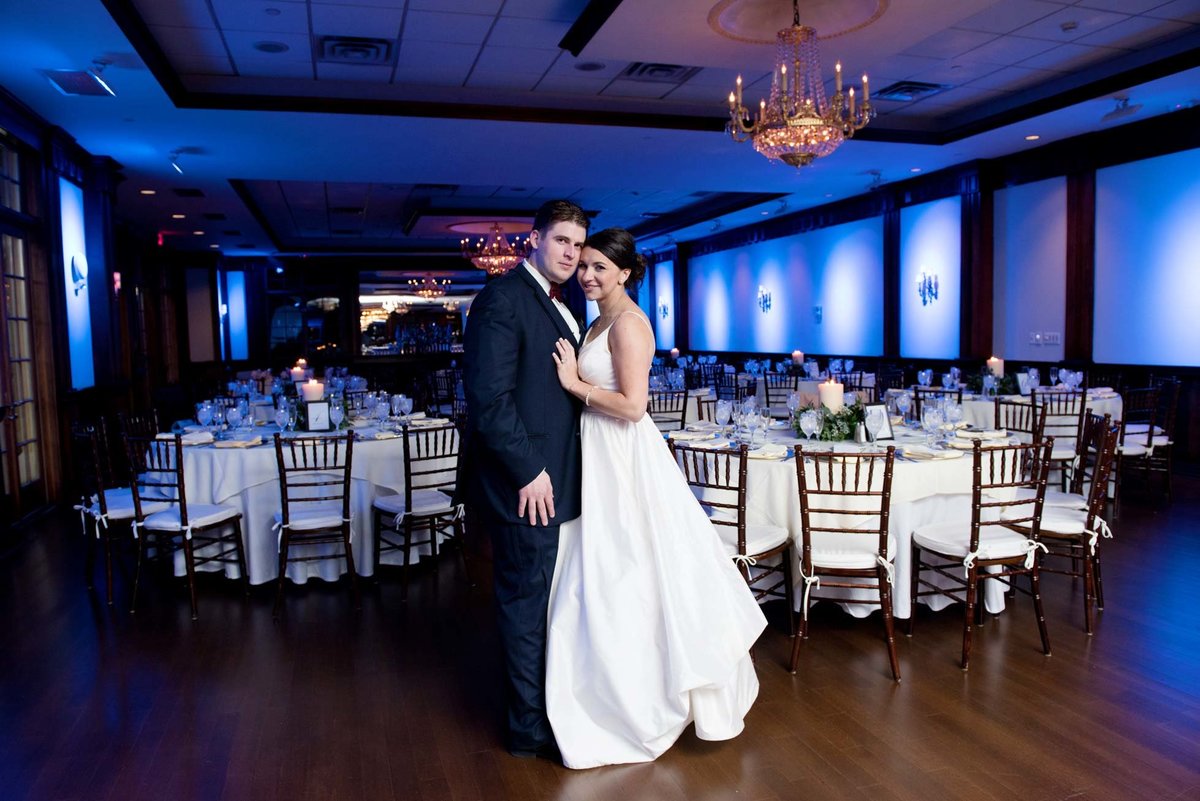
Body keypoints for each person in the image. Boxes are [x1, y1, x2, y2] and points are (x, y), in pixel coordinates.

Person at [545, 228, 767, 770]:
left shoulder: (629, 324)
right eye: (584, 266)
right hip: (595, 453)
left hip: (622, 453)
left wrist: (575, 385)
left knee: (631, 565)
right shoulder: (595, 320)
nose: (588, 275)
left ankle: (643, 702)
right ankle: (600, 693)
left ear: (624, 272)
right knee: (599, 568)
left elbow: (634, 407)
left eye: (599, 267)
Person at [460, 200, 590, 761]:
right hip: (527, 486)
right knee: (525, 603)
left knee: (547, 602)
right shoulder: (502, 299)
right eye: (561, 240)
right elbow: (489, 402)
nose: (571, 252)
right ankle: (526, 732)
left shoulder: (562, 302)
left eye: (579, 244)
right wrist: (529, 471)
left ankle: (547, 712)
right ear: (534, 239)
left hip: (559, 477)